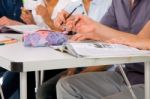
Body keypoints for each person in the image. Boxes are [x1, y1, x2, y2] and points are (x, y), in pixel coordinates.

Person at [54, 0, 150, 99]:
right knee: (66, 85)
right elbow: (101, 31)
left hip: (146, 79)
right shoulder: (118, 2)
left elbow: (140, 41)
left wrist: (95, 29)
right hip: (126, 74)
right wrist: (78, 24)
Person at [36, 0, 112, 99]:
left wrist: (78, 75)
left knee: (57, 89)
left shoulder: (109, 4)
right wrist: (71, 71)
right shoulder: (73, 6)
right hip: (79, 63)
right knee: (44, 91)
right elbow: (70, 40)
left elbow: (111, 51)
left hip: (104, 66)